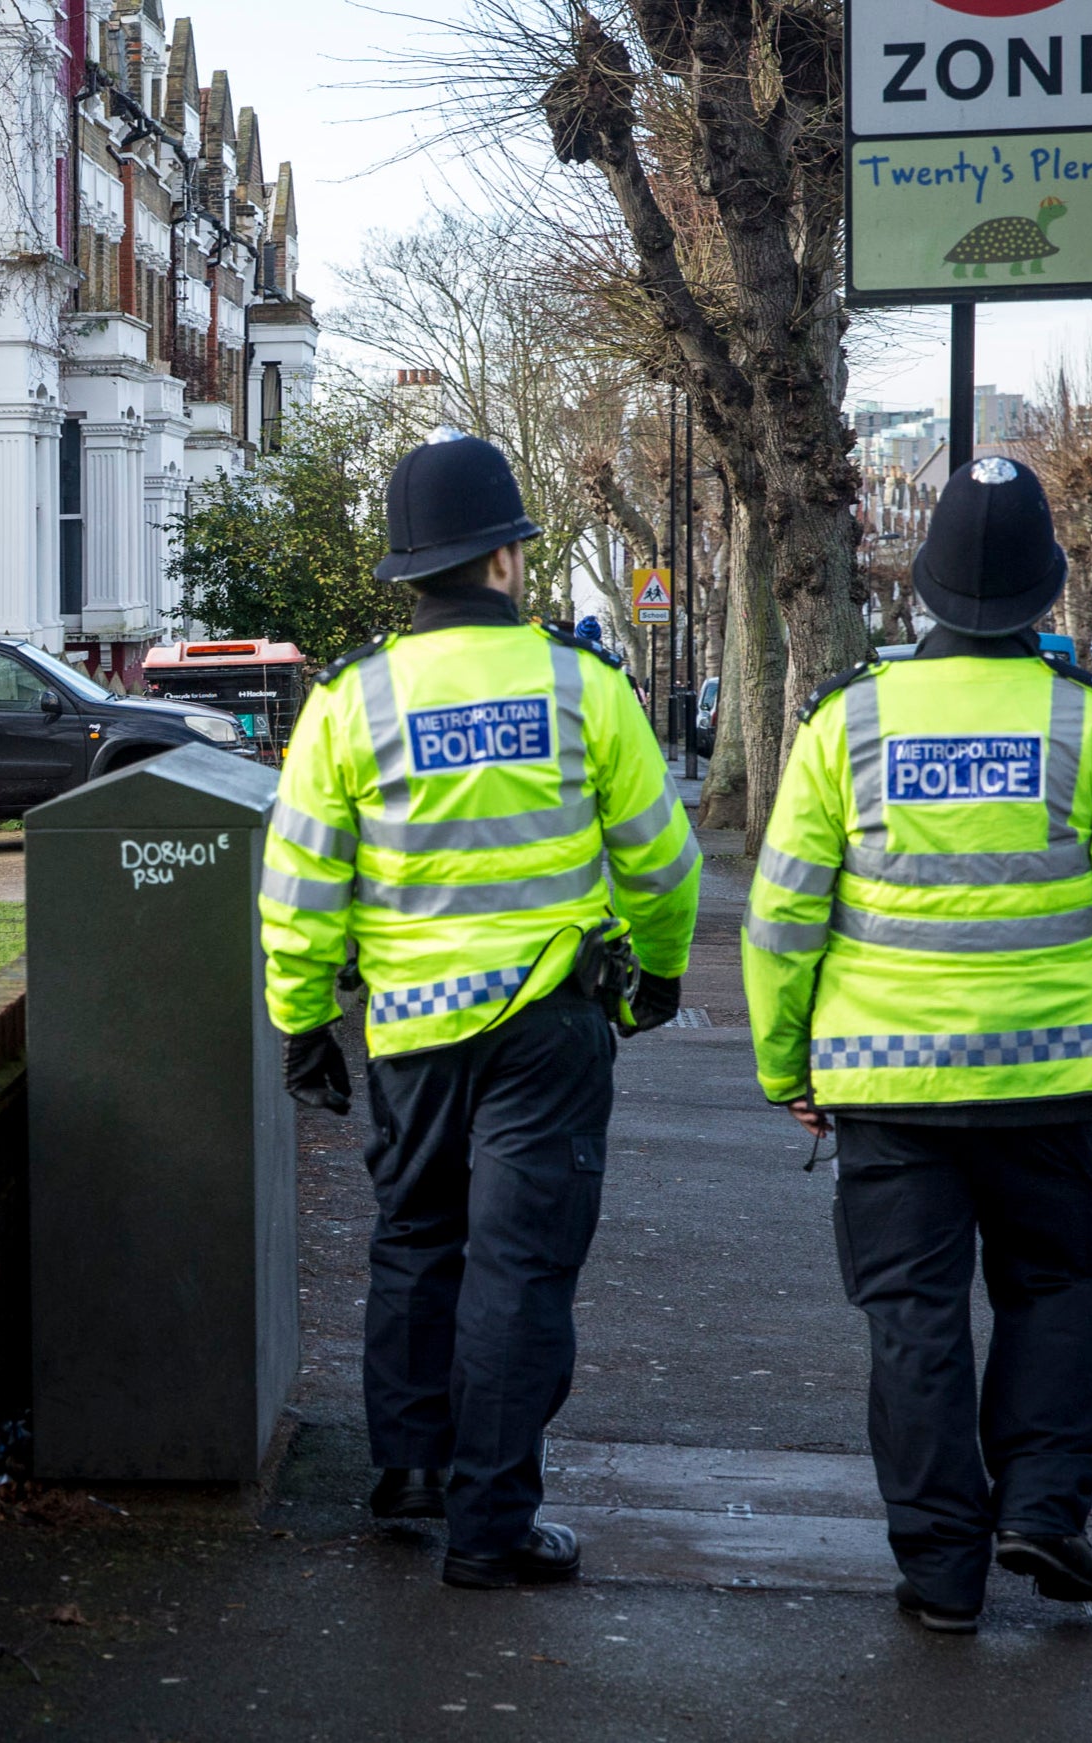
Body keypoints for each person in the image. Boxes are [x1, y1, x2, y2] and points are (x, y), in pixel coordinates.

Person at [742, 455, 1092, 1634]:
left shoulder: (845, 723)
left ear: (922, 588)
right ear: (1048, 590)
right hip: (1051, 1083)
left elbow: (782, 918)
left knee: (911, 1322)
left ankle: (941, 1573)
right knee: (1057, 1289)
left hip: (885, 1089)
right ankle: (1045, 1511)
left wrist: (784, 1066)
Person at [260, 435, 700, 1590]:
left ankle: (410, 1468)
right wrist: (657, 977)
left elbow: (300, 882)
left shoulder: (350, 701)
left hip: (411, 1028)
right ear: (505, 558)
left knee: (413, 1239)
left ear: (409, 572)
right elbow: (663, 866)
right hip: (550, 1023)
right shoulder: (581, 685)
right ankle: (492, 1522)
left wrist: (304, 1021)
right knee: (518, 1267)